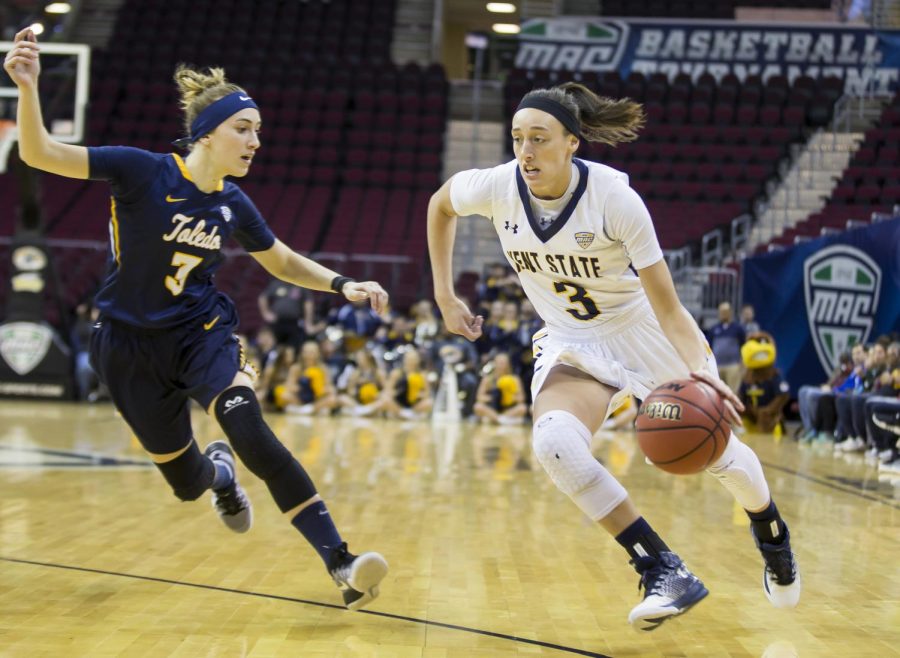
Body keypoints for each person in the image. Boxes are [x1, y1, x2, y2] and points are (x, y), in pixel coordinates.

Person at [3, 30, 388, 610]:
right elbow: (40, 155)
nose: (257, 140)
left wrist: (340, 283)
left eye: (258, 130)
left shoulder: (234, 202)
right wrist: (27, 88)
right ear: (208, 131)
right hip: (126, 345)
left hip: (199, 333)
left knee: (251, 429)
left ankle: (341, 561)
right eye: (244, 128)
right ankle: (219, 478)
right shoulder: (140, 171)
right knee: (187, 486)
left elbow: (279, 259)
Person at [426, 81, 800, 630]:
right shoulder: (497, 186)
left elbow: (669, 308)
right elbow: (440, 204)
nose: (525, 152)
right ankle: (662, 567)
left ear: (573, 142)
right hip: (570, 338)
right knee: (555, 443)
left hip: (640, 328)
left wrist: (701, 372)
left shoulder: (616, 200)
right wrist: (444, 294)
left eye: (539, 138)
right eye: (517, 139)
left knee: (717, 453)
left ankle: (771, 532)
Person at [472, 352, 528, 425]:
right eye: (499, 363)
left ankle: (496, 419)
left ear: (508, 364)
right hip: (492, 409)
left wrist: (508, 397)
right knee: (478, 406)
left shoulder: (514, 379)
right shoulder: (488, 379)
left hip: (507, 409)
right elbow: (479, 397)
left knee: (522, 408)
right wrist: (493, 398)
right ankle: (501, 419)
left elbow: (521, 398)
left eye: (504, 363)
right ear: (494, 363)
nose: (501, 365)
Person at [707, 301, 746, 394]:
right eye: (721, 311)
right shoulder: (713, 329)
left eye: (725, 311)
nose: (723, 313)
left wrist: (742, 364)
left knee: (733, 393)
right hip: (717, 366)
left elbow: (743, 346)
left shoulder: (738, 328)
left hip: (733, 366)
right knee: (717, 392)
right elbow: (709, 347)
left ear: (730, 312)